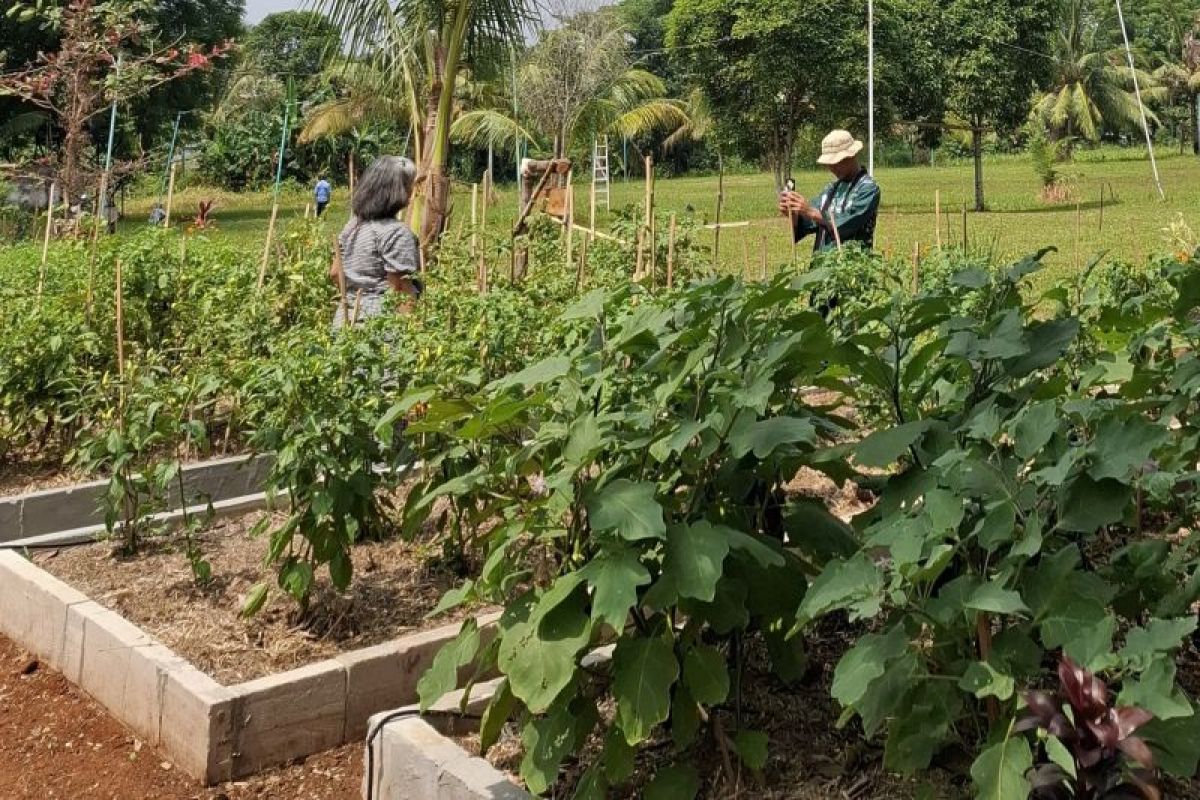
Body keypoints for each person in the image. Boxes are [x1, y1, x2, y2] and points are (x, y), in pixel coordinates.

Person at [329, 156, 422, 329]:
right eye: (410, 183)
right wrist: (412, 333)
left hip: (345, 319)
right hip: (379, 326)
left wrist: (357, 294)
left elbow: (335, 273)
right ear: (399, 190)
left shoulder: (353, 225)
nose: (413, 190)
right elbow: (400, 289)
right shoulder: (396, 232)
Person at [779, 129, 881, 252]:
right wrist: (794, 213)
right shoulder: (831, 189)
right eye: (829, 164)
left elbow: (848, 223)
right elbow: (808, 223)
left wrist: (810, 211)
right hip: (823, 264)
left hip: (851, 264)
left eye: (836, 162)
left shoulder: (868, 189)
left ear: (851, 156)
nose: (831, 168)